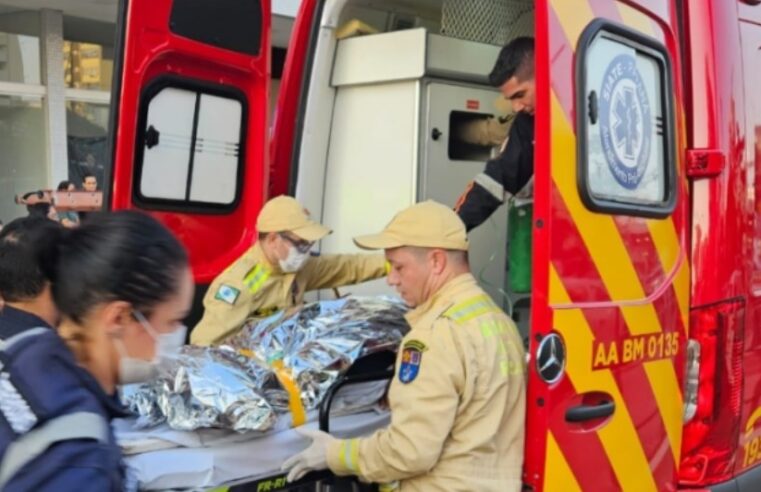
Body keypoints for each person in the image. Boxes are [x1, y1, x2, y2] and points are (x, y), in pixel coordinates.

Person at [281, 200, 526, 491]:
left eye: (399, 267)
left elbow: (410, 452)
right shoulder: (498, 320)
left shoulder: (434, 337)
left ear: (436, 261)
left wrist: (335, 454)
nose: (391, 280)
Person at [0, 211, 192, 491]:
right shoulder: (78, 457)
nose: (175, 335)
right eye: (172, 321)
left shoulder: (26, 350)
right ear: (119, 318)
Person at [191, 195, 388, 345]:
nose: (306, 251)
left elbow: (347, 267)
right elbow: (204, 347)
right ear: (274, 240)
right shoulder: (240, 285)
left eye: (310, 244)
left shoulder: (294, 266)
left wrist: (395, 263)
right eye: (301, 244)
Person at [455, 36, 535, 232]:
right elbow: (499, 178)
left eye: (520, 95)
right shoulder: (528, 123)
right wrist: (452, 229)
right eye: (511, 99)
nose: (516, 107)